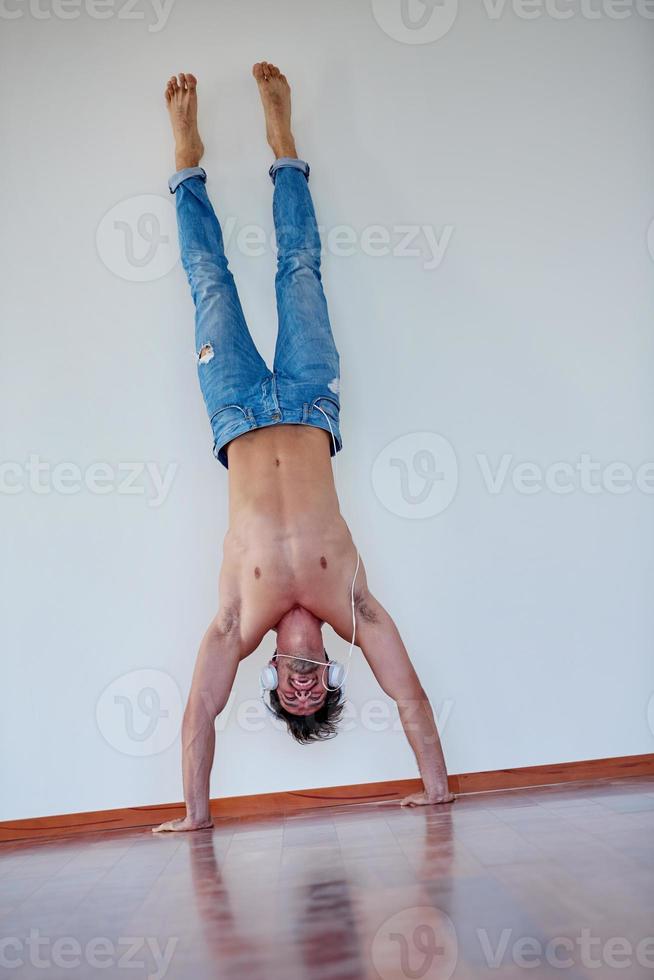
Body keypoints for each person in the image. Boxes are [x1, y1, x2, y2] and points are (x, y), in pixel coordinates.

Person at [154, 64, 453, 833]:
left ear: (277, 676)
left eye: (290, 697)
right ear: (324, 671)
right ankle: (284, 144)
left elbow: (199, 714)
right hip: (312, 398)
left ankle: (185, 161)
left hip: (237, 412)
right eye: (313, 693)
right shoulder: (354, 607)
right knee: (301, 268)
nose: (299, 689)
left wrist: (196, 815)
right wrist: (439, 791)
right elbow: (411, 696)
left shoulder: (237, 622)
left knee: (209, 282)